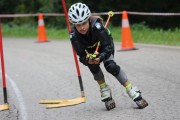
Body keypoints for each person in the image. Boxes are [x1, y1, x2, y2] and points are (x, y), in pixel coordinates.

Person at [68, 2, 148, 109]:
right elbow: (81, 56)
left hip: (104, 46)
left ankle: (131, 89)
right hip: (90, 51)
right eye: (78, 25)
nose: (82, 27)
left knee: (110, 66)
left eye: (84, 23)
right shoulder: (74, 36)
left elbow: (107, 47)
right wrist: (88, 60)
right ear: (74, 25)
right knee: (93, 66)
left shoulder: (97, 27)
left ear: (89, 19)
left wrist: (101, 57)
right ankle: (104, 88)